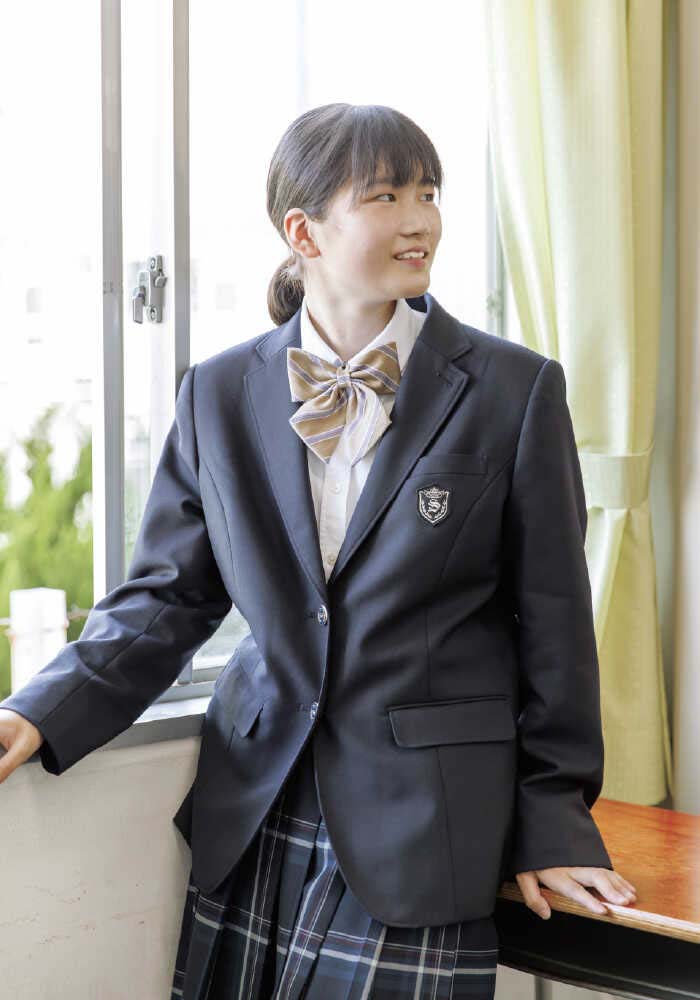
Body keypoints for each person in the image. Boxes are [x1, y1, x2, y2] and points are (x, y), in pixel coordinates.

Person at [0, 103, 636, 999]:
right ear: (304, 232)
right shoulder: (218, 391)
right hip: (259, 801)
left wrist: (554, 818)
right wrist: (39, 711)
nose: (420, 220)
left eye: (428, 193)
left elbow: (555, 624)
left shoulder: (513, 388)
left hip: (428, 816)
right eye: (385, 196)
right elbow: (169, 595)